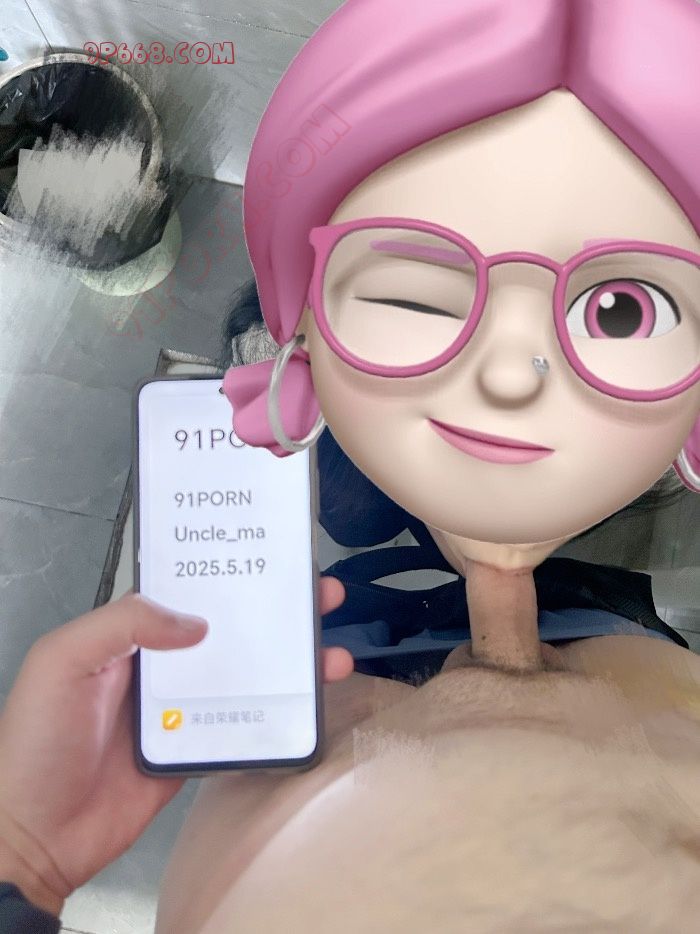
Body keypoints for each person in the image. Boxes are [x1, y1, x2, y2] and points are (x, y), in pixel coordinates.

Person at [2, 0, 700, 930]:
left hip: (335, 655)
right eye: (418, 291)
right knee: (374, 499)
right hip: (596, 621)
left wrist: (25, 862)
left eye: (617, 311)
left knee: (349, 506)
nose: (507, 376)